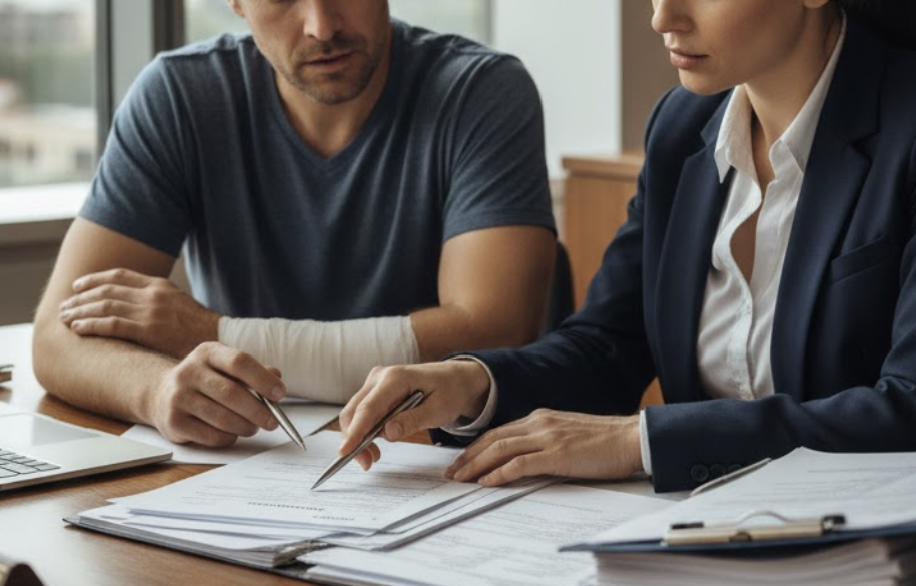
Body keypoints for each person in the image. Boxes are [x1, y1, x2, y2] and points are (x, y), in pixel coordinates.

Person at [338, 0, 916, 492]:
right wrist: (471, 384)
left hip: (895, 531)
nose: (662, 16)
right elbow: (608, 344)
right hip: (711, 529)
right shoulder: (683, 124)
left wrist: (638, 441)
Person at [32, 0, 556, 448]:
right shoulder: (181, 96)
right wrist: (156, 388)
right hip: (248, 461)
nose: (322, 26)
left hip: (433, 457)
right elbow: (57, 337)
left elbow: (497, 328)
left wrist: (210, 334)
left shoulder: (480, 91)